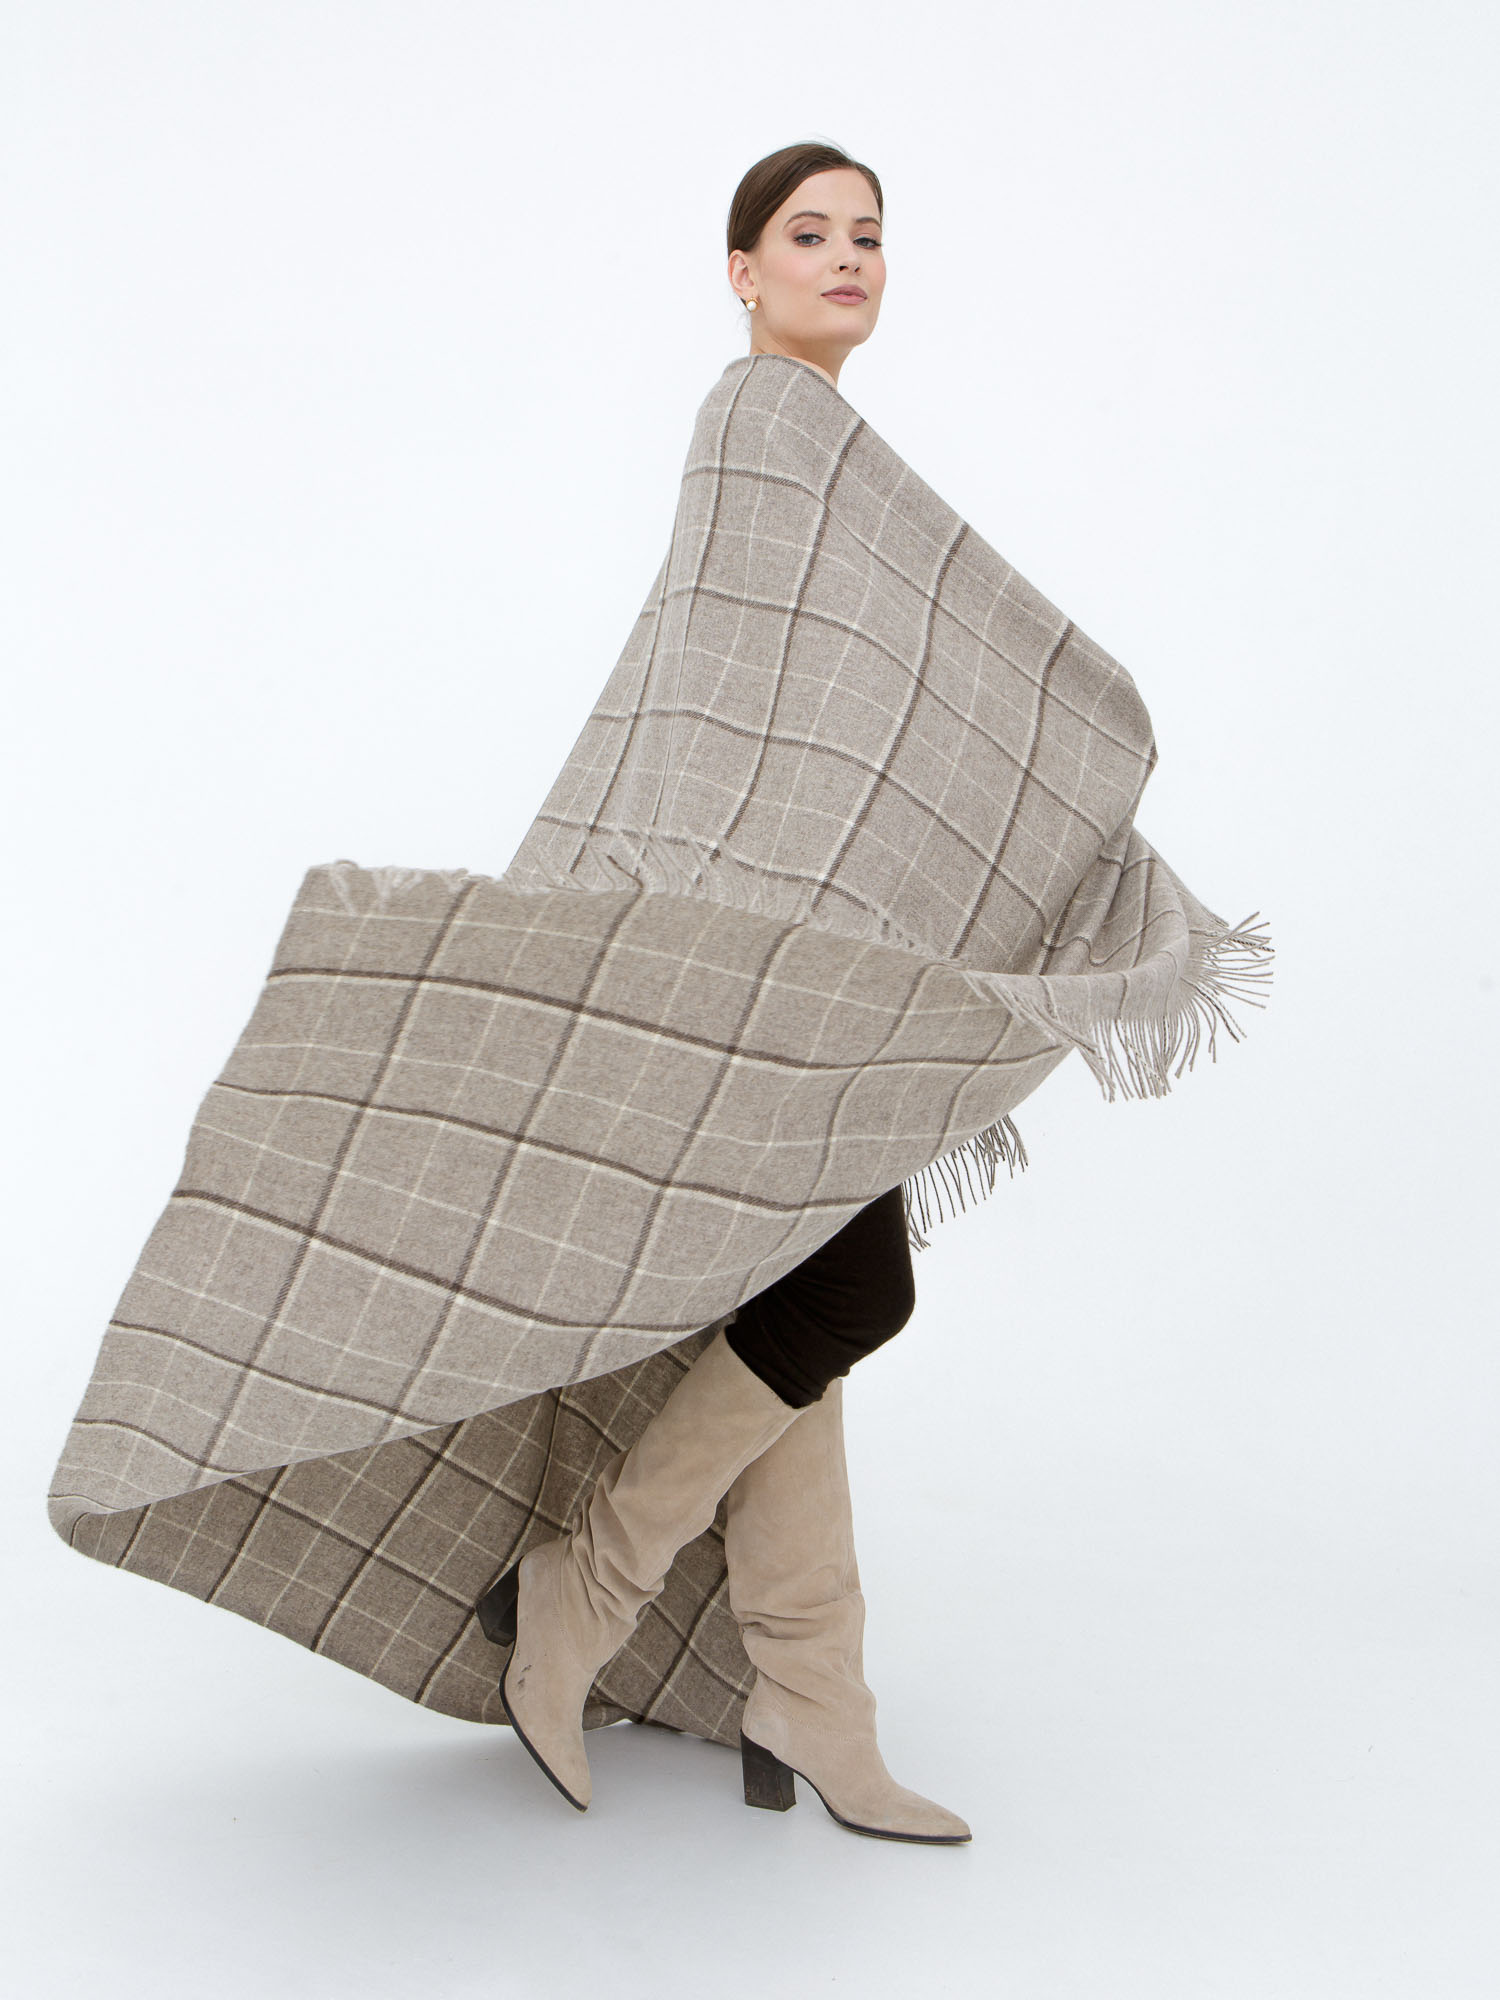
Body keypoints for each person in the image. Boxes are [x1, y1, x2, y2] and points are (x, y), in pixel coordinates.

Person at [474, 141, 974, 1846]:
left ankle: (811, 1698)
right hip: (753, 947)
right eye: (808, 234)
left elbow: (853, 709)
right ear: (743, 271)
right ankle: (587, 1592)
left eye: (870, 236)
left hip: (804, 940)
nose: (848, 258)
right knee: (852, 1289)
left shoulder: (824, 447)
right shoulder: (765, 424)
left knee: (805, 1302)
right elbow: (731, 713)